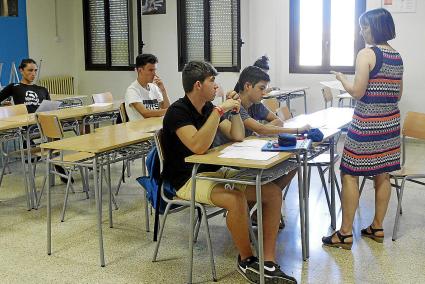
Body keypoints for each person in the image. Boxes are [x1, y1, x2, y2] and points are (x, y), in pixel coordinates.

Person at [162, 60, 297, 284]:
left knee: (272, 193)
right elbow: (198, 146)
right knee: (235, 199)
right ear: (198, 85)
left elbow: (237, 136)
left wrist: (234, 110)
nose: (216, 86)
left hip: (214, 170)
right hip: (187, 179)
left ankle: (268, 263)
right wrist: (217, 111)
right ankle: (246, 260)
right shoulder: (177, 112)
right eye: (212, 81)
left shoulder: (206, 108)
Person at [322, 8, 403, 249]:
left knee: (349, 172)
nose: (361, 31)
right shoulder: (397, 56)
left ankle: (345, 233)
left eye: (364, 27)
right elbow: (398, 94)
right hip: (390, 123)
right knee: (383, 174)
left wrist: (341, 79)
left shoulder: (366, 54)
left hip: (366, 123)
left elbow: (358, 92)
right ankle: (377, 226)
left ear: (376, 28)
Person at [124, 53, 170, 121]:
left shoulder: (154, 88)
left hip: (155, 127)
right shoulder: (132, 90)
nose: (154, 74)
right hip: (141, 130)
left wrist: (163, 90)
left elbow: (165, 107)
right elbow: (145, 113)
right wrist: (169, 111)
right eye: (151, 70)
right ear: (140, 70)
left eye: (155, 70)